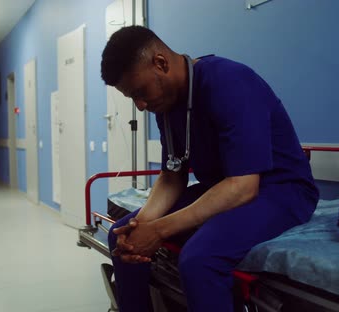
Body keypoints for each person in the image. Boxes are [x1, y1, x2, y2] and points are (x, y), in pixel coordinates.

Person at [101, 25, 319, 312]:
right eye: (132, 98)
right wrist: (142, 226)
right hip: (224, 189)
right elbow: (171, 176)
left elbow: (244, 186)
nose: (140, 105)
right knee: (121, 235)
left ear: (161, 63)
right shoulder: (166, 106)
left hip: (281, 190)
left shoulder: (229, 82)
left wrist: (159, 230)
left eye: (140, 92)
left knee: (199, 259)